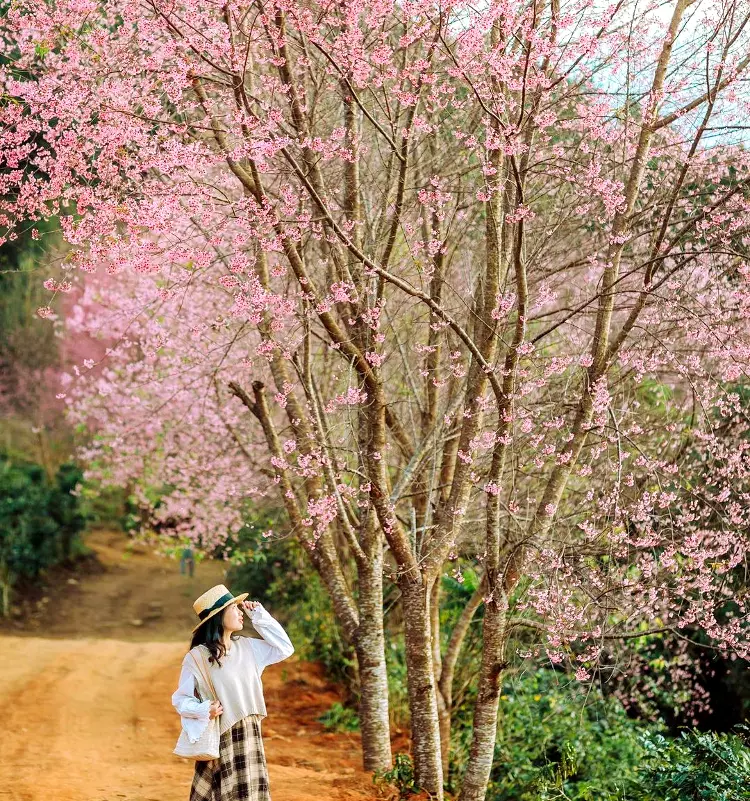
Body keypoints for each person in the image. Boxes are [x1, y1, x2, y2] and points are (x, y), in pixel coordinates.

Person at [172, 584, 294, 800]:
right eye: (234, 608)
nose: (240, 613)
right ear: (218, 617)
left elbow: (285, 648)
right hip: (221, 738)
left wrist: (259, 615)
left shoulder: (249, 648)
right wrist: (203, 709)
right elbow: (181, 700)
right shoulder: (197, 658)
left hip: (250, 735)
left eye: (240, 608)